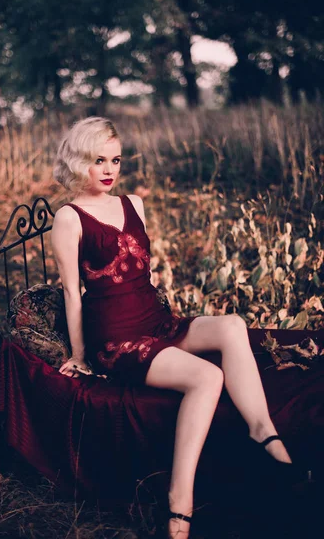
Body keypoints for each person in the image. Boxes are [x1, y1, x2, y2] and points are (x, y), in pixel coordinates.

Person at [51, 116, 295, 539]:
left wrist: (168, 315)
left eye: (116, 160)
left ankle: (263, 430)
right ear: (78, 162)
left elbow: (143, 273)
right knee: (207, 376)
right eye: (98, 161)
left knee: (232, 325)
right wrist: (78, 354)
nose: (109, 170)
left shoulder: (134, 204)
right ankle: (179, 504)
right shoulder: (69, 218)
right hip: (117, 337)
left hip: (155, 319)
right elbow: (74, 293)